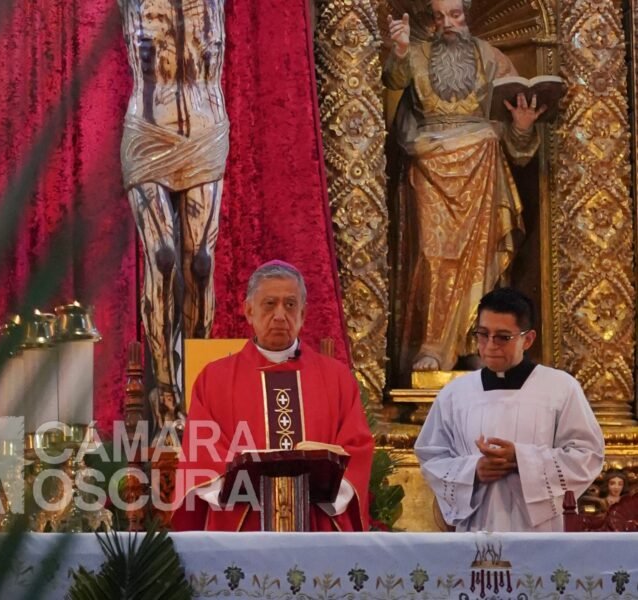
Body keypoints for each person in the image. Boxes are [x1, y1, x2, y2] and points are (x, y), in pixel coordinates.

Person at [384, 0, 547, 372]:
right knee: (431, 256)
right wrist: (400, 50)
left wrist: (522, 127)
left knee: (482, 261)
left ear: (467, 15)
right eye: (440, 17)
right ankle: (430, 345)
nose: (448, 24)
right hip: (429, 166)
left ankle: (478, 341)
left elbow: (515, 131)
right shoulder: (416, 54)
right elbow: (393, 80)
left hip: (481, 167)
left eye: (455, 15)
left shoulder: (490, 58)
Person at [171, 261, 374, 531]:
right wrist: (243, 488)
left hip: (317, 522)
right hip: (243, 526)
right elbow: (202, 455)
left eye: (290, 305)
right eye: (269, 304)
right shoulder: (214, 379)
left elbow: (357, 448)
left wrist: (326, 488)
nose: (280, 315)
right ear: (249, 311)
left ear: (303, 313)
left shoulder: (336, 378)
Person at [118, 0, 230, 429]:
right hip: (149, 131)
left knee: (201, 264)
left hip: (205, 130)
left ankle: (196, 386)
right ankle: (164, 389)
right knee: (162, 257)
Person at [415, 287, 605, 531]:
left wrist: (520, 458)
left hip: (540, 532)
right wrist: (473, 471)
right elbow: (432, 457)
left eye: (503, 337)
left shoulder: (560, 388)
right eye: (483, 334)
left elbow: (587, 455)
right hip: (476, 529)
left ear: (528, 339)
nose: (490, 345)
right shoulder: (455, 394)